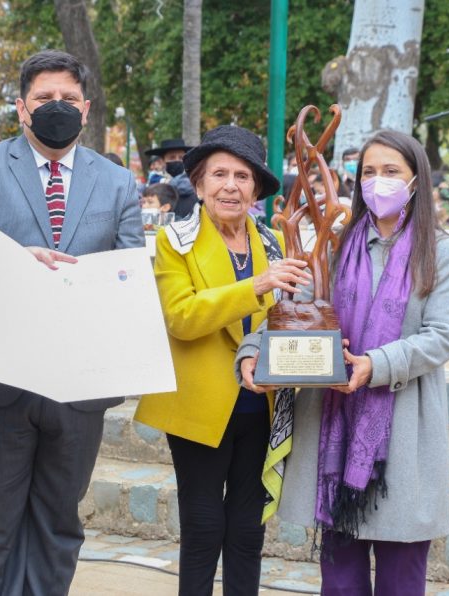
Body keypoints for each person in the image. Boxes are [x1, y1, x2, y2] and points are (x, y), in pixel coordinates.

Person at [237, 130, 449, 595]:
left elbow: (441, 338)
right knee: (339, 575)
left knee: (401, 573)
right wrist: (254, 352)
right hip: (333, 429)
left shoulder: (443, 252)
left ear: (416, 181)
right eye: (368, 172)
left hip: (402, 430)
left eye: (391, 172)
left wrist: (373, 365)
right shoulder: (334, 245)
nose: (377, 182)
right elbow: (296, 307)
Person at [0, 49, 143, 595]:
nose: (56, 107)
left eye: (67, 99)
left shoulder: (117, 181)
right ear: (21, 108)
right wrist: (19, 262)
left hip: (79, 384)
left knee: (60, 522)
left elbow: (127, 270)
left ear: (86, 107)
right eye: (43, 98)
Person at [133, 125, 310, 596]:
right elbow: (183, 318)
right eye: (219, 174)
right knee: (204, 527)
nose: (231, 185)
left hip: (263, 402)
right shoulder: (176, 240)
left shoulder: (273, 241)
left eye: (242, 176)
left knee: (249, 530)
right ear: (198, 184)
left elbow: (293, 315)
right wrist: (256, 286)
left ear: (256, 188)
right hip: (199, 407)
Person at [145, 138, 200, 219]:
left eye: (181, 157)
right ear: (163, 161)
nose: (177, 161)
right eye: (172, 157)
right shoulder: (154, 185)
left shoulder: (196, 183)